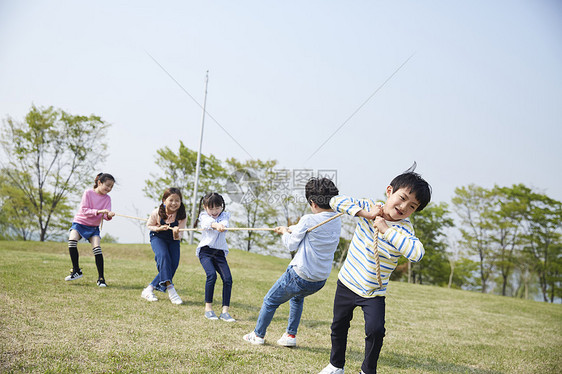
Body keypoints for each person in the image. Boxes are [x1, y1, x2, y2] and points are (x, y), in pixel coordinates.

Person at [318, 171, 431, 374]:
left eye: (412, 206)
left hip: (373, 292)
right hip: (347, 283)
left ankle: (367, 370)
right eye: (402, 198)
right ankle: (336, 365)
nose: (404, 207)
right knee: (338, 326)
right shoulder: (368, 206)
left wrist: (386, 229)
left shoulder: (404, 230)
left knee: (376, 331)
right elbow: (336, 201)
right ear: (390, 191)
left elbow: (417, 254)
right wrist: (368, 215)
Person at [243, 177, 342, 347]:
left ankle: (258, 335)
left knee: (270, 300)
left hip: (300, 275)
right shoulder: (336, 219)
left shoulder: (309, 220)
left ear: (313, 203)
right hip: (319, 280)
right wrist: (291, 229)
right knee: (296, 298)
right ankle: (290, 336)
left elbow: (291, 244)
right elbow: (306, 229)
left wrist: (284, 232)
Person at [64, 172, 116, 287]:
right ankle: (76, 270)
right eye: (107, 185)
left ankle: (101, 279)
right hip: (80, 223)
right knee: (72, 241)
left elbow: (106, 215)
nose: (109, 188)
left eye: (111, 187)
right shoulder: (88, 193)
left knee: (97, 249)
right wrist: (98, 211)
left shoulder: (107, 198)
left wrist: (109, 215)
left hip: (93, 227)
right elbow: (84, 210)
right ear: (99, 183)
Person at [141, 187, 187, 304]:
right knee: (164, 257)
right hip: (158, 236)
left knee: (173, 264)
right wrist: (159, 228)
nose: (174, 203)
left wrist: (176, 232)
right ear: (164, 200)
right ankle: (171, 290)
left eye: (177, 200)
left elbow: (179, 235)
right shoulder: (157, 212)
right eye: (171, 200)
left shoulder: (182, 215)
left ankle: (149, 289)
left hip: (173, 239)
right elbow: (149, 225)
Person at [195, 192, 235, 322]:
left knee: (228, 279)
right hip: (205, 252)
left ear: (222, 206)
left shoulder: (225, 216)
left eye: (217, 207)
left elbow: (224, 222)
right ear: (205, 207)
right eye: (211, 208)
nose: (214, 211)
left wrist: (221, 225)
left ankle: (225, 312)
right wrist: (215, 225)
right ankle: (208, 309)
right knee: (211, 275)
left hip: (219, 253)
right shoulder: (204, 216)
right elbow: (207, 223)